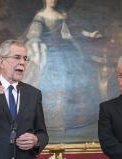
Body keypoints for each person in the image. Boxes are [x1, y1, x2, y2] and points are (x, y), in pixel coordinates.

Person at [23, 0, 102, 142]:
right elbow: (34, 35)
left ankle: (72, 120)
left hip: (65, 51)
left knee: (74, 83)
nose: (53, 1)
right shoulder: (41, 16)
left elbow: (75, 30)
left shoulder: (62, 15)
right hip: (50, 54)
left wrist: (90, 34)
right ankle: (52, 123)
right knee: (48, 84)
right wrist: (38, 48)